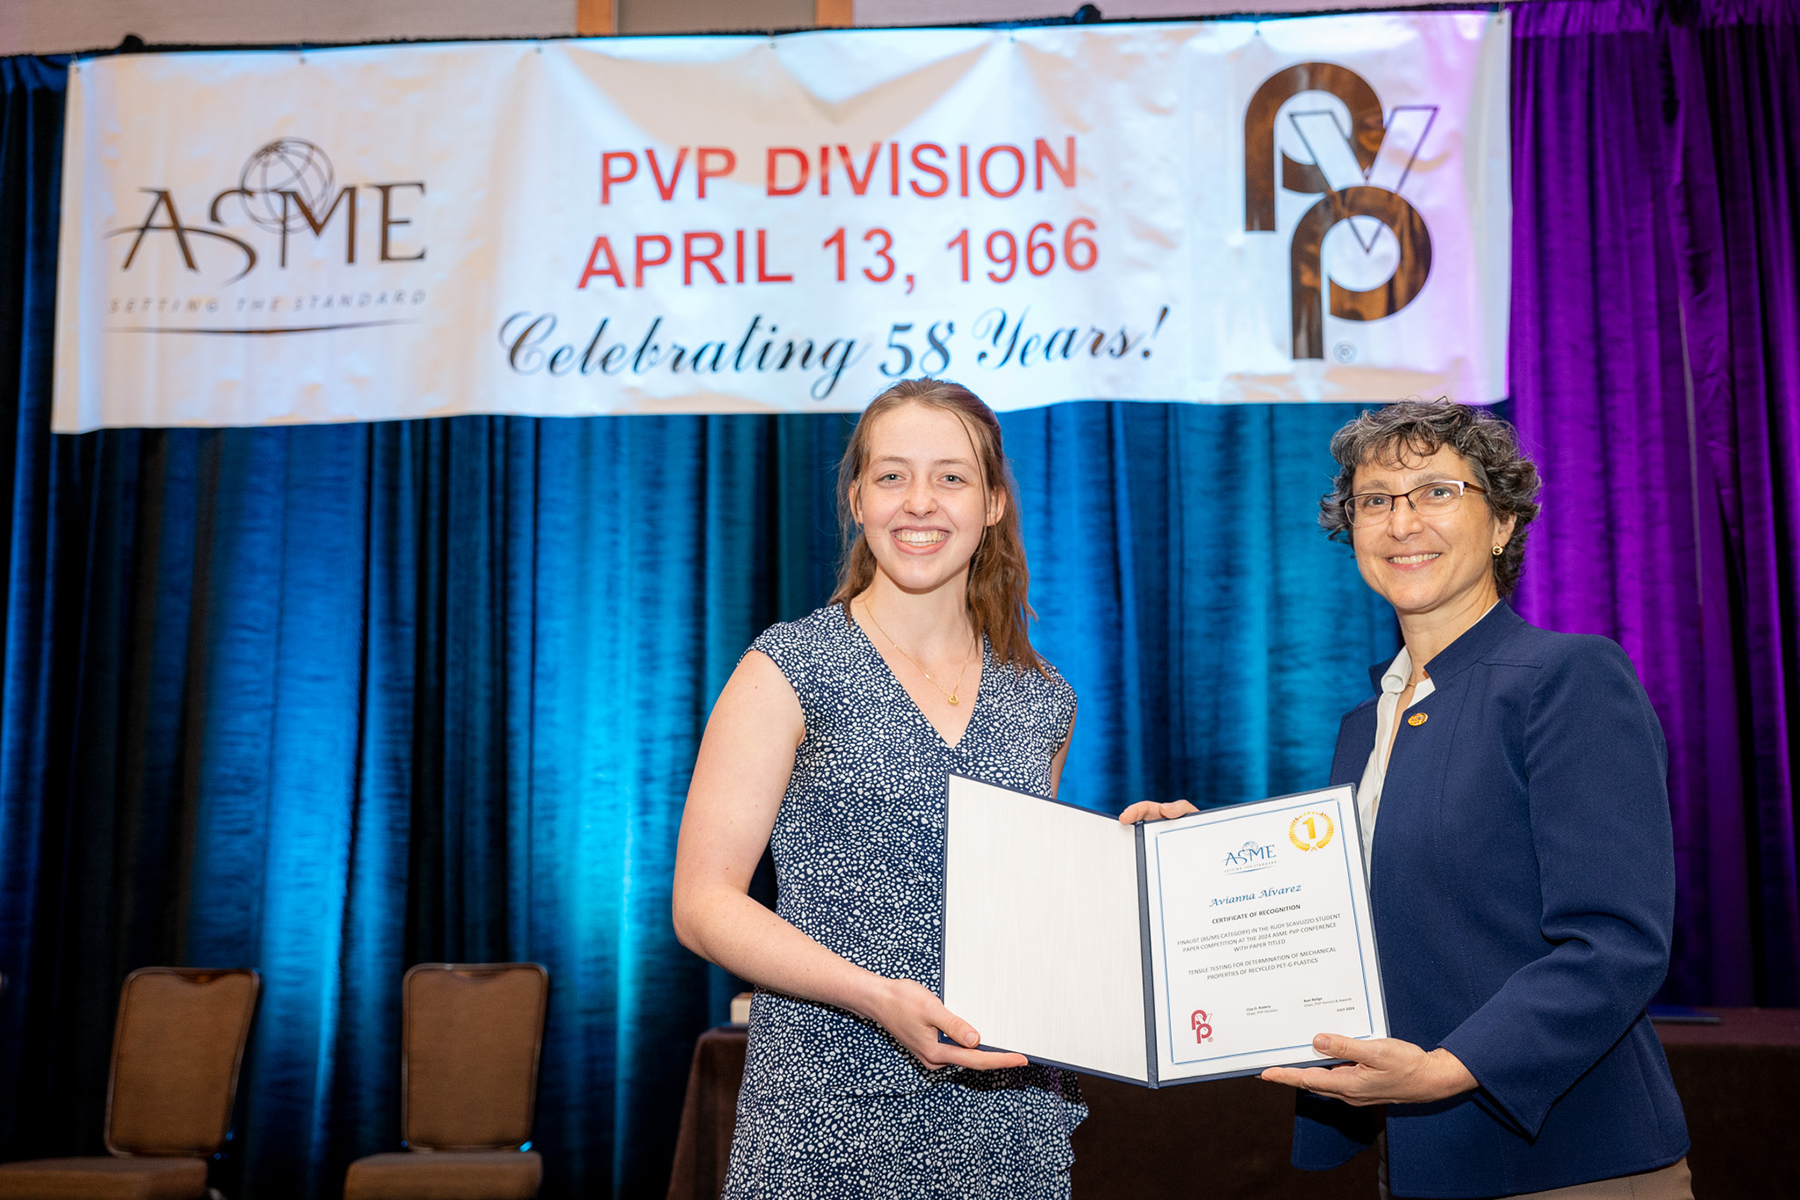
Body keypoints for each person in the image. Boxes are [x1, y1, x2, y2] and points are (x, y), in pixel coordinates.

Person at [1123, 400, 1691, 1198]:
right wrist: (1199, 862)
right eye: (1376, 499)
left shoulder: (1568, 679)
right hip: (1422, 1160)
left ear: (1501, 524)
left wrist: (1450, 1069)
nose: (1402, 521)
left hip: (1567, 1161)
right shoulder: (1368, 723)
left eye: (1436, 491)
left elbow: (1617, 941)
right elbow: (1359, 907)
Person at [672, 378, 1084, 1198]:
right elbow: (702, 904)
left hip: (1008, 1125)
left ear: (994, 502)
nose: (919, 503)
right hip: (826, 1115)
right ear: (858, 499)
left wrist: (1129, 857)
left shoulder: (1045, 698)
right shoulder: (787, 668)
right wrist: (876, 999)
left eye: (952, 477)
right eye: (892, 476)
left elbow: (1032, 906)